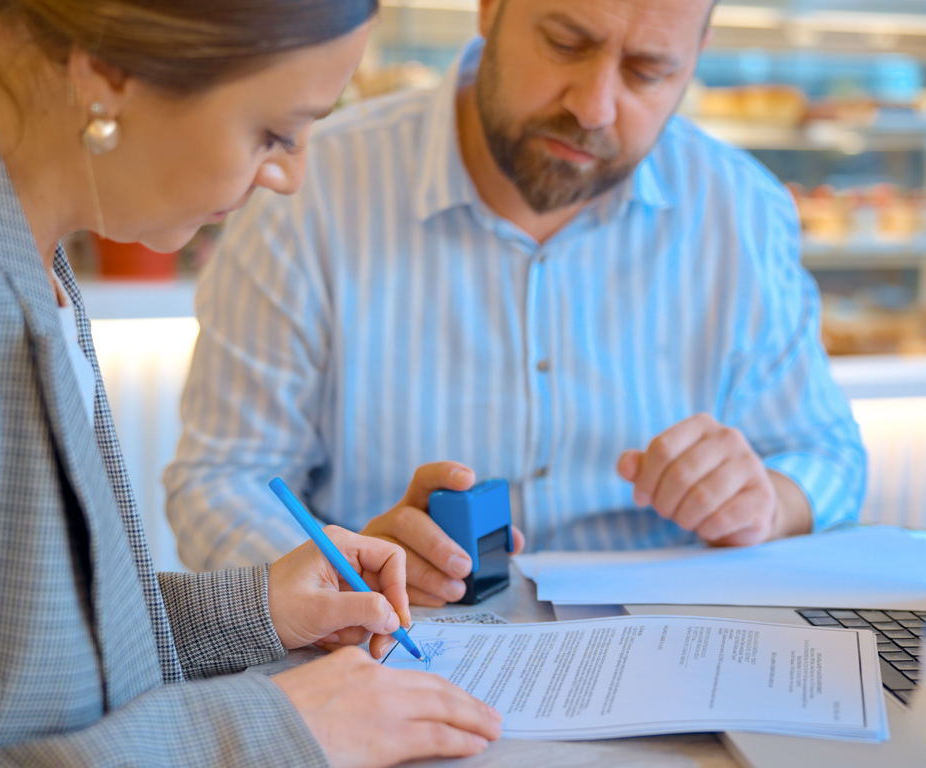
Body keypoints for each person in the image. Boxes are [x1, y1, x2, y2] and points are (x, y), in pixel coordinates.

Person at [0, 0, 502, 764]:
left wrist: (256, 611)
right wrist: (264, 733)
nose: (288, 177)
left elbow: (1, 653)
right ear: (108, 73)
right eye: (272, 134)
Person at [166, 0, 867, 606]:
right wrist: (343, 574)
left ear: (695, 58)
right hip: (395, 654)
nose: (593, 106)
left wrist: (768, 502)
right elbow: (222, 481)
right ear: (487, 9)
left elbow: (827, 454)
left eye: (647, 72)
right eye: (565, 43)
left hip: (672, 659)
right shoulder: (309, 192)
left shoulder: (737, 206)